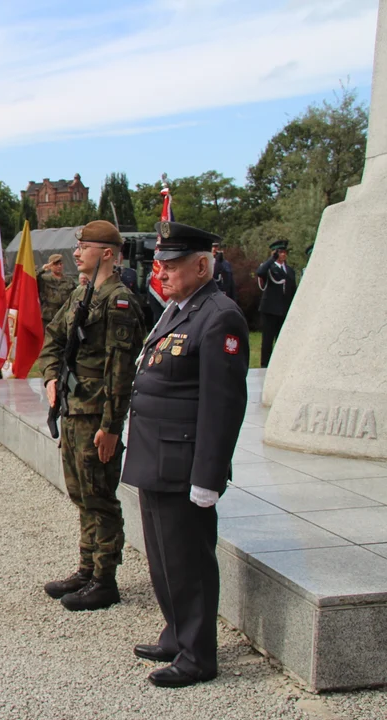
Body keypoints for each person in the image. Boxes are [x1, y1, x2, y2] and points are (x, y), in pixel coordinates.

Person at [122, 221, 249, 688]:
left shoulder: (219, 316)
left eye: (171, 265)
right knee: (162, 558)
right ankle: (176, 633)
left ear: (201, 265)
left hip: (184, 463)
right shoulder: (179, 309)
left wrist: (208, 477)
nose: (163, 272)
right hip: (156, 456)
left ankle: (198, 657)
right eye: (160, 264)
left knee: (189, 563)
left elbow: (223, 404)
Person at [38, 220, 146, 611]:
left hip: (97, 414)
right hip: (73, 407)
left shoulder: (118, 302)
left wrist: (111, 428)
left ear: (107, 253)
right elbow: (53, 338)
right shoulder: (82, 292)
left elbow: (121, 371)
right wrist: (51, 378)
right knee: (81, 494)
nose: (76, 251)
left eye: (83, 245)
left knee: (100, 497)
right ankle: (86, 569)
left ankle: (104, 579)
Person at [256, 239, 296, 368]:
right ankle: (265, 365)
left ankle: (280, 365)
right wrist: (271, 259)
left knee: (282, 339)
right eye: (280, 252)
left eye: (284, 252)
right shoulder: (268, 267)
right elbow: (260, 272)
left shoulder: (289, 270)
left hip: (284, 309)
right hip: (270, 310)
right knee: (267, 340)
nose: (283, 255)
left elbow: (292, 290)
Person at [38, 253, 76, 327]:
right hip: (49, 316)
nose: (59, 266)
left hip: (65, 314)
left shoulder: (69, 280)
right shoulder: (44, 279)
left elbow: (74, 296)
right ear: (50, 265)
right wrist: (43, 269)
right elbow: (31, 278)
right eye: (56, 264)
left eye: (61, 264)